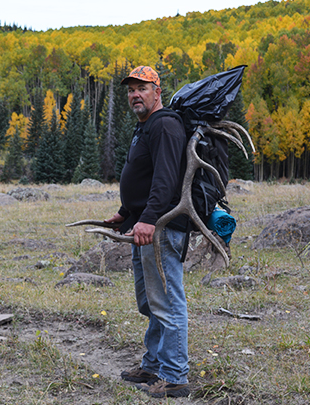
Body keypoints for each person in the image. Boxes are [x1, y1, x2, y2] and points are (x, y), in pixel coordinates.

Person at [104, 66, 191, 398]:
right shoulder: (146, 128)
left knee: (168, 303)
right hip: (144, 225)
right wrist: (126, 213)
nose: (134, 94)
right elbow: (144, 177)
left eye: (142, 88)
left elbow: (166, 180)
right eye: (130, 90)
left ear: (158, 91)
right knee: (151, 303)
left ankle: (175, 377)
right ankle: (153, 366)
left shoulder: (165, 125)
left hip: (162, 228)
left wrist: (150, 219)